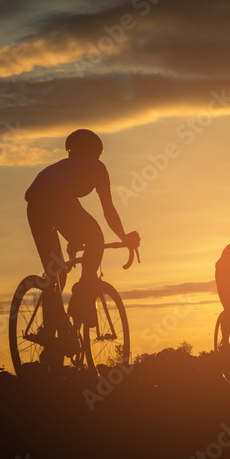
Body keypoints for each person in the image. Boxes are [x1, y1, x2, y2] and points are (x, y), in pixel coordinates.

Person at [25, 129, 139, 332]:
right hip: (59, 198)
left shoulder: (63, 167)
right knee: (96, 236)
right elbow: (108, 209)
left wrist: (75, 238)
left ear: (71, 151)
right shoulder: (98, 167)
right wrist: (124, 237)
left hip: (35, 206)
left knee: (56, 273)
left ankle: (55, 337)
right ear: (97, 152)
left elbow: (63, 214)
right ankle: (83, 296)